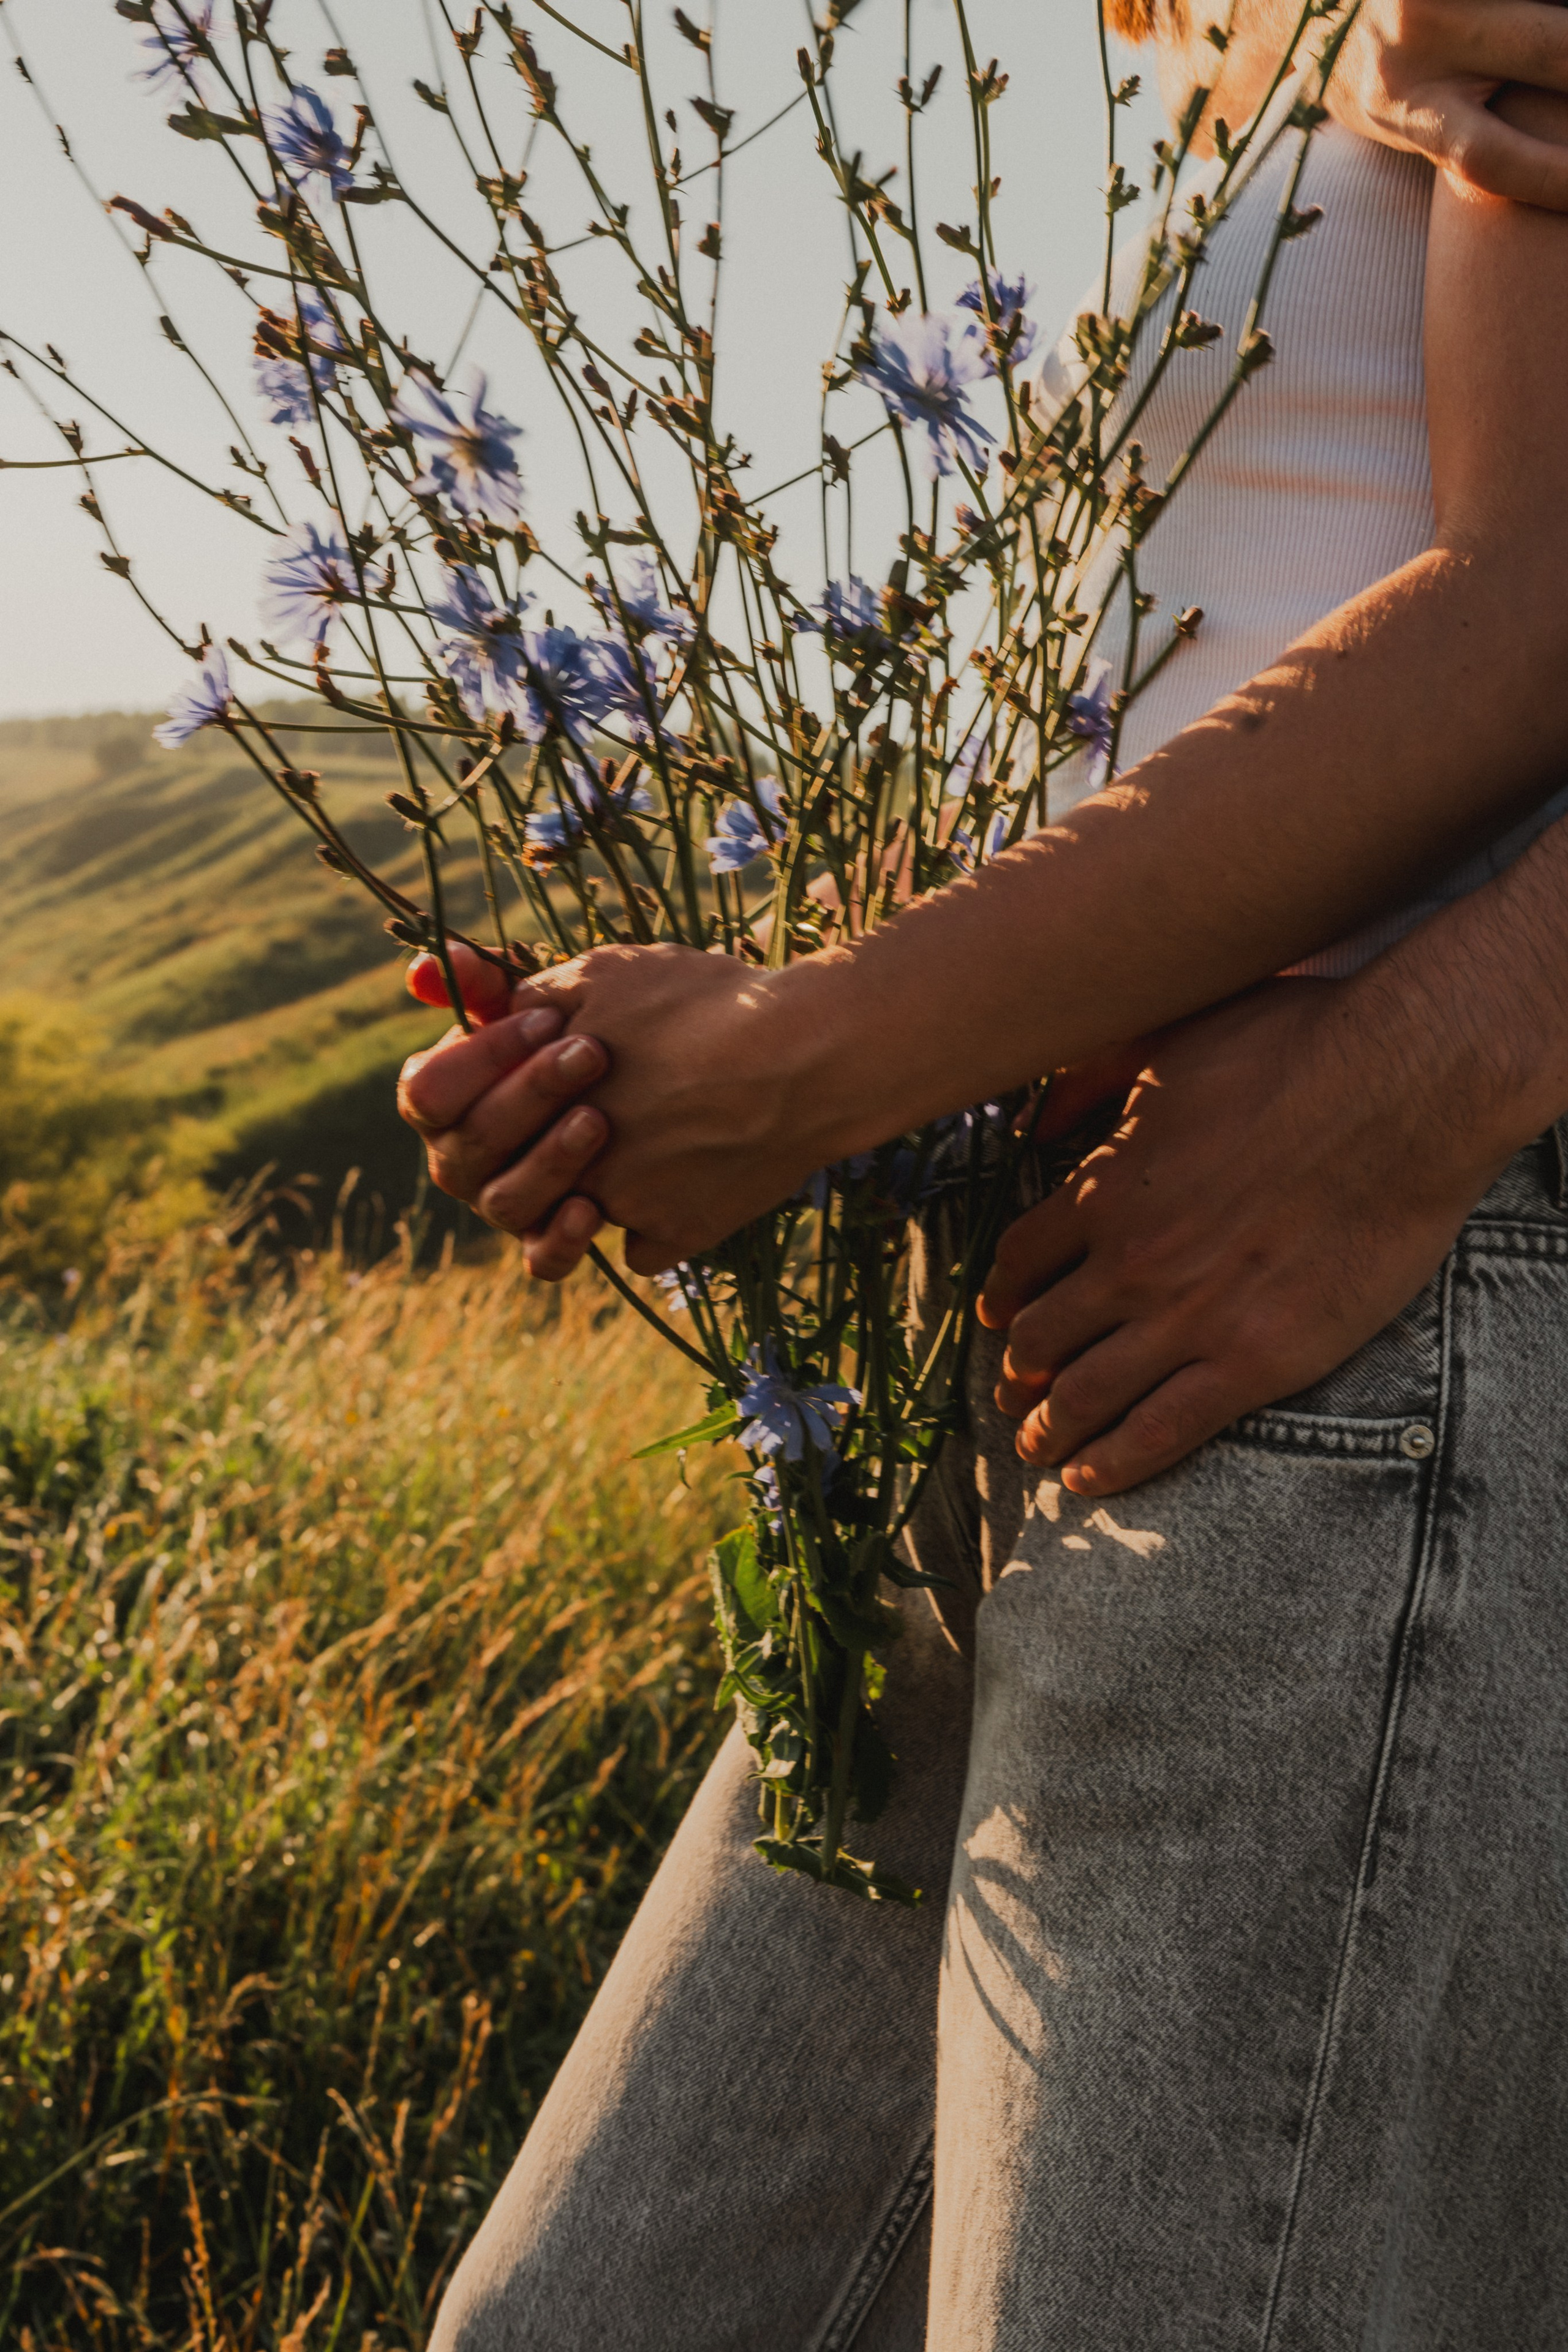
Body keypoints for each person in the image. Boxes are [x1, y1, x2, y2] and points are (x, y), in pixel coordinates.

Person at [401, 3, 1568, 2343]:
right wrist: (752, 1034)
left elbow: (1531, 614)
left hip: (1329, 1341)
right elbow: (1235, 646)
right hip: (1054, 1302)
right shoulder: (1250, 44)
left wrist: (822, 1051)